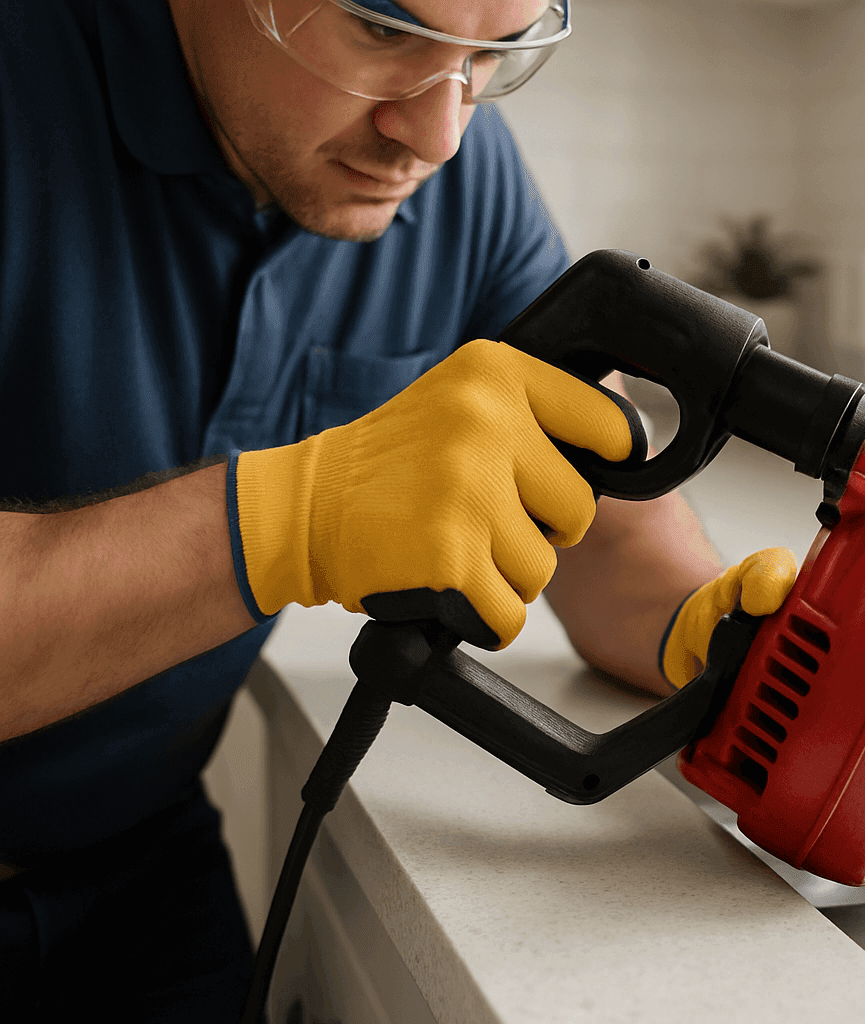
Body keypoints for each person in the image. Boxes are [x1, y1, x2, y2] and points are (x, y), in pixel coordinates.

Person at [0, 0, 796, 1018]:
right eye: (383, 30)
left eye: (494, 53)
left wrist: (712, 633)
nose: (440, 134)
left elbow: (609, 545)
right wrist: (293, 519)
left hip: (139, 868)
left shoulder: (468, 183)